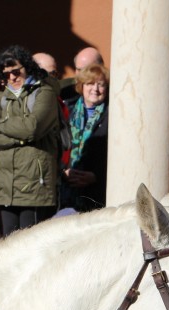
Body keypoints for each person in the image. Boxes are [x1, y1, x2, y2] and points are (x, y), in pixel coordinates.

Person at [0, 45, 60, 236]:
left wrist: (0, 125)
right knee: (9, 241)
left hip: (34, 182)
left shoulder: (45, 93)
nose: (12, 78)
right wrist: (20, 139)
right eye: (6, 74)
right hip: (4, 183)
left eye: (16, 72)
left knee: (30, 243)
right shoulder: (2, 96)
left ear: (28, 67)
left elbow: (32, 128)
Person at [60, 64, 109, 212]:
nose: (95, 89)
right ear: (81, 86)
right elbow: (56, 146)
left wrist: (96, 176)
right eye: (90, 83)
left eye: (101, 85)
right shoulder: (67, 110)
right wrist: (63, 171)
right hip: (64, 188)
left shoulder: (113, 115)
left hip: (95, 193)